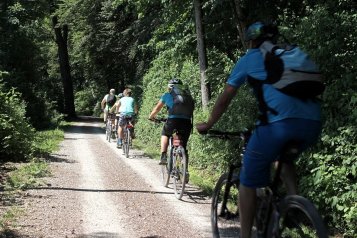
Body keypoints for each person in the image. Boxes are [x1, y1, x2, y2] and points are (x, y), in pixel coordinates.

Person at [196, 22, 322, 238]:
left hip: (278, 126)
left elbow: (226, 97)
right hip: (312, 124)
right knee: (283, 159)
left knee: (247, 180)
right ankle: (294, 205)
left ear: (252, 41)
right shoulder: (292, 54)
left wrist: (208, 124)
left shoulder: (250, 59)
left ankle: (245, 235)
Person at [149, 78, 194, 165]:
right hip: (187, 122)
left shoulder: (167, 95)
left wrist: (151, 117)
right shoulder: (188, 96)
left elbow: (157, 108)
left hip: (173, 120)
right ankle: (185, 169)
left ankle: (163, 156)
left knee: (165, 133)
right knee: (183, 146)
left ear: (170, 88)